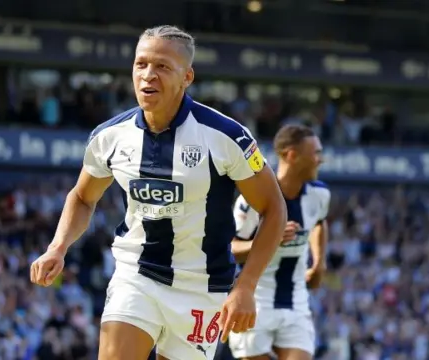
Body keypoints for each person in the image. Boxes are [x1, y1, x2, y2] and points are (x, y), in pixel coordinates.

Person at [30, 25, 288, 360]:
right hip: (137, 275)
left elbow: (274, 207)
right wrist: (58, 246)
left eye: (163, 66)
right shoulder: (109, 137)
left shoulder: (225, 137)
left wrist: (247, 285)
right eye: (141, 64)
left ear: (187, 77)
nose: (148, 75)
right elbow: (82, 197)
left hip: (202, 288)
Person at [227, 124, 330, 360]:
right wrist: (269, 239)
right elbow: (228, 249)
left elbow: (319, 223)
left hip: (295, 302)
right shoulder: (253, 198)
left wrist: (319, 263)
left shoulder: (320, 195)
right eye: (315, 153)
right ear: (292, 156)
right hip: (254, 302)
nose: (320, 160)